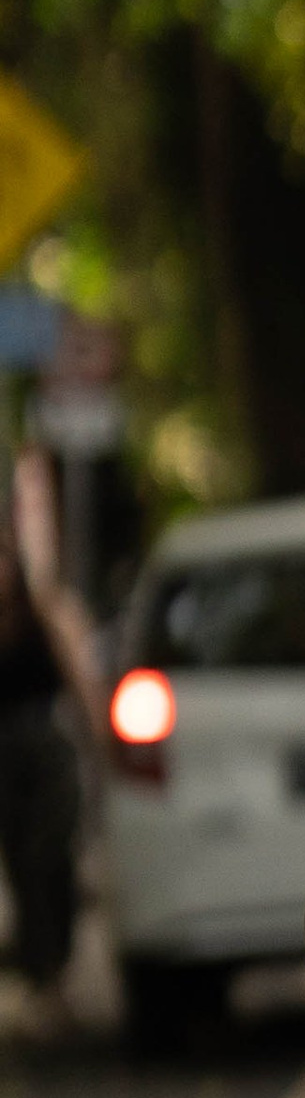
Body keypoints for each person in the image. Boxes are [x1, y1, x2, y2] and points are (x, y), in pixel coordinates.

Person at [0, 442, 103, 1037]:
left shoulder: (44, 613)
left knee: (51, 859)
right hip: (7, 760)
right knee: (21, 868)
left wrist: (99, 751)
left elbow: (81, 683)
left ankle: (57, 971)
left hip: (47, 750)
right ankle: (42, 979)